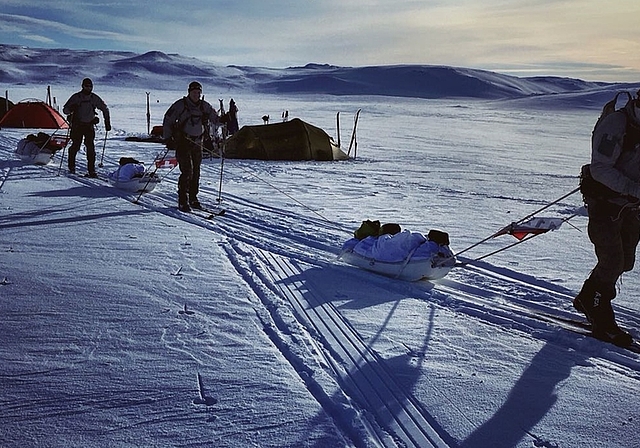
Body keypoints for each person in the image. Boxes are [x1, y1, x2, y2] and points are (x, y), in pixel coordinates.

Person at [574, 91, 640, 347]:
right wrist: (634, 189)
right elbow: (600, 168)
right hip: (606, 203)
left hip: (630, 206)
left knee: (625, 261)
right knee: (612, 261)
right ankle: (598, 310)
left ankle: (588, 296)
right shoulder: (617, 124)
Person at [163, 81, 218, 212]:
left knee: (196, 172)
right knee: (187, 171)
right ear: (189, 92)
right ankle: (183, 201)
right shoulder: (180, 105)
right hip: (183, 142)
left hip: (198, 143)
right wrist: (167, 138)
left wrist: (226, 119)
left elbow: (215, 119)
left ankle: (193, 198)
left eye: (199, 92)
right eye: (194, 92)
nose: (196, 95)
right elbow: (168, 119)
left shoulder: (204, 106)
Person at [62, 78, 111, 176]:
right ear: (82, 86)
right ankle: (71, 167)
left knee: (90, 148)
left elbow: (105, 109)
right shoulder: (76, 97)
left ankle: (91, 170)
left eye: (90, 86)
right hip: (77, 125)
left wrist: (107, 122)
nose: (89, 88)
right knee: (76, 146)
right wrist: (71, 108)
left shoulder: (94, 98)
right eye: (87, 86)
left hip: (89, 125)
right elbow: (65, 110)